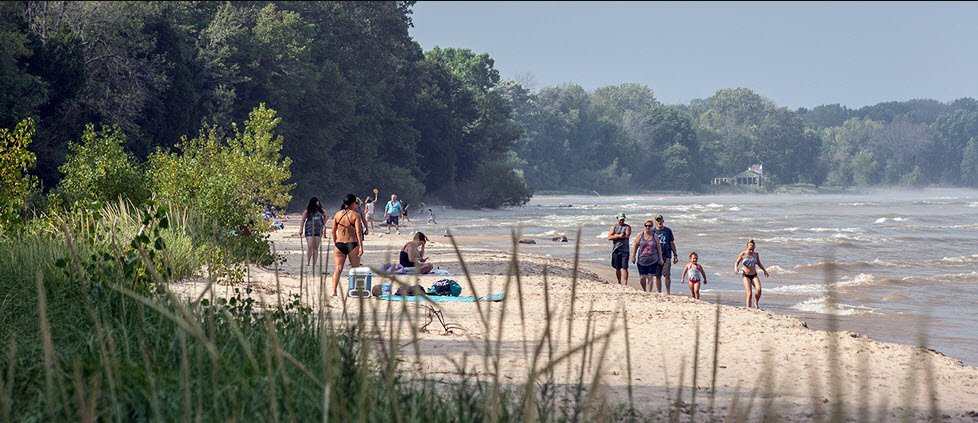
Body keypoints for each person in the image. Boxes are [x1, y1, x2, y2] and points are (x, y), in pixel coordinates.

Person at [331, 194, 364, 296]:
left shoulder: (337, 214)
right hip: (352, 244)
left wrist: (336, 243)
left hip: (339, 244)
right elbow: (358, 233)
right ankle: (354, 290)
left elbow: (333, 231)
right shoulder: (355, 215)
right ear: (353, 203)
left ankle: (334, 292)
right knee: (355, 269)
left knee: (338, 269)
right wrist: (361, 247)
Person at [734, 239, 769, 309]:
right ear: (747, 246)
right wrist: (736, 268)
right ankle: (748, 307)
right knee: (749, 292)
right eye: (750, 245)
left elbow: (759, 263)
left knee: (759, 289)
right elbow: (737, 262)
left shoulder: (756, 254)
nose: (752, 247)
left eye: (753, 245)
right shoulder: (743, 254)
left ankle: (756, 302)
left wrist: (765, 270)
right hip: (746, 276)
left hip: (754, 275)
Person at [631, 219, 664, 293]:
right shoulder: (640, 235)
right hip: (641, 260)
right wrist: (633, 256)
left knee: (650, 277)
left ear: (652, 227)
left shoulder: (655, 236)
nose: (648, 227)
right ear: (644, 226)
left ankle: (648, 293)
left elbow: (658, 248)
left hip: (653, 260)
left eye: (649, 226)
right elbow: (635, 246)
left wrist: (660, 258)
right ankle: (645, 290)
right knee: (642, 278)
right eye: (646, 225)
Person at [652, 214, 679, 294]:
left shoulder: (668, 231)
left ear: (663, 221)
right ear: (655, 222)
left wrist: (675, 255)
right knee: (657, 276)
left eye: (660, 220)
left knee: (667, 275)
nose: (659, 222)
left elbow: (672, 243)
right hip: (656, 256)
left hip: (666, 255)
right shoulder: (653, 231)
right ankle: (659, 292)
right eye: (657, 220)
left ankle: (668, 292)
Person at [298, 197, 327, 267]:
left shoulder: (321, 210)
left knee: (316, 247)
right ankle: (308, 261)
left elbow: (326, 216)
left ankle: (314, 262)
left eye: (318, 202)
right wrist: (301, 229)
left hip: (318, 230)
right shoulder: (307, 211)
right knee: (310, 245)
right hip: (309, 230)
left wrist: (323, 224)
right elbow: (302, 220)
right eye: (316, 202)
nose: (317, 203)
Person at [607, 212, 631, 285]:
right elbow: (609, 237)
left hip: (625, 250)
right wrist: (618, 236)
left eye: (623, 220)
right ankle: (619, 282)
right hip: (616, 250)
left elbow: (627, 235)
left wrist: (616, 235)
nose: (621, 221)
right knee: (617, 268)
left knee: (625, 267)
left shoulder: (627, 227)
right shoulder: (613, 227)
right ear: (617, 218)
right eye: (620, 219)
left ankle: (625, 283)